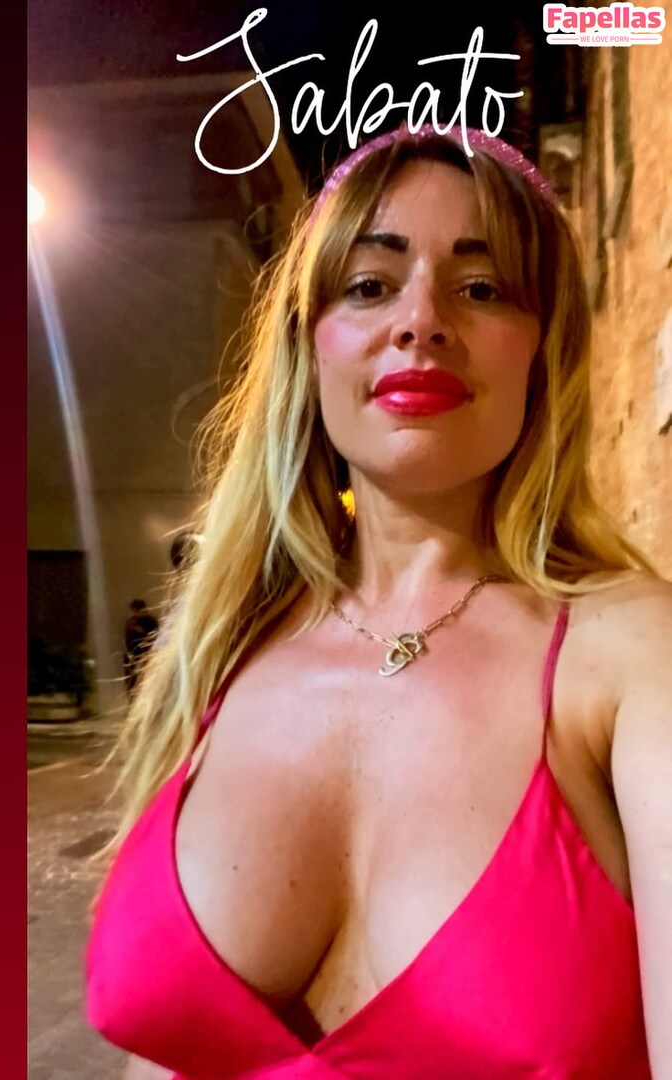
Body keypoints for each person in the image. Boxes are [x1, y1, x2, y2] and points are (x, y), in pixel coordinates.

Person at [86, 126, 671, 1079]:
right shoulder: (219, 654)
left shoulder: (636, 657)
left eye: (481, 287)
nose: (421, 319)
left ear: (543, 351)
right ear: (309, 346)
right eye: (369, 284)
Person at [122, 599, 159, 695]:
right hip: (132, 656)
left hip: (146, 654)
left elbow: (154, 637)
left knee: (146, 680)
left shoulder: (150, 621)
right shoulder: (131, 622)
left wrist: (142, 632)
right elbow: (127, 639)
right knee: (132, 682)